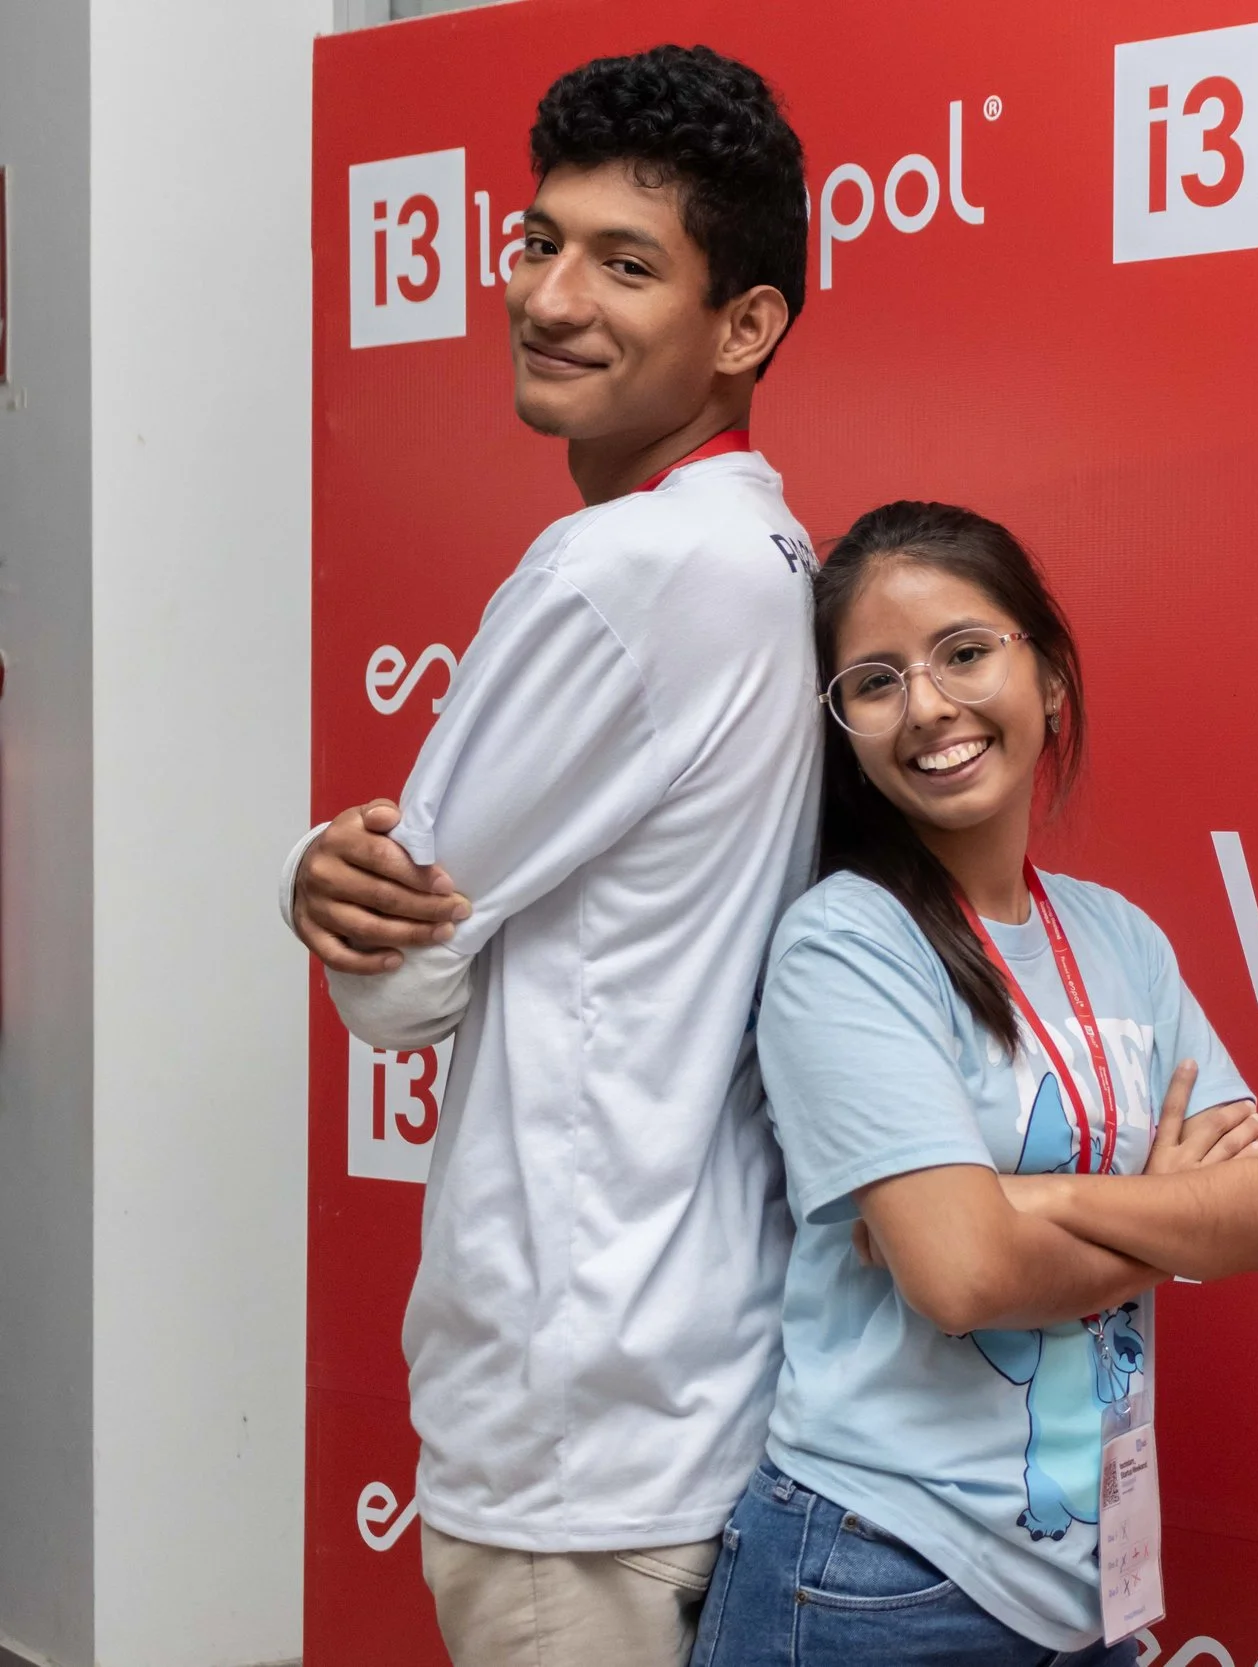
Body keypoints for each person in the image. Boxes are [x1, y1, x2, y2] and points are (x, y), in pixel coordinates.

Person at [281, 46, 818, 1667]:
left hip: (580, 1443)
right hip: (696, 1392)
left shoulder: (622, 564)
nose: (549, 296)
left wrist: (322, 878)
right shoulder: (768, 547)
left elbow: (392, 984)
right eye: (538, 242)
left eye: (626, 264)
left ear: (745, 327)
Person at [696, 502, 1258, 1666]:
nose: (928, 705)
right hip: (874, 1575)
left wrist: (1033, 1199)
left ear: (1050, 676)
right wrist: (1165, 1212)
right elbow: (962, 1274)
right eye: (876, 682)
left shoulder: (1120, 938)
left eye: (964, 652)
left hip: (1084, 1591)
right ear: (843, 728)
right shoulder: (846, 943)